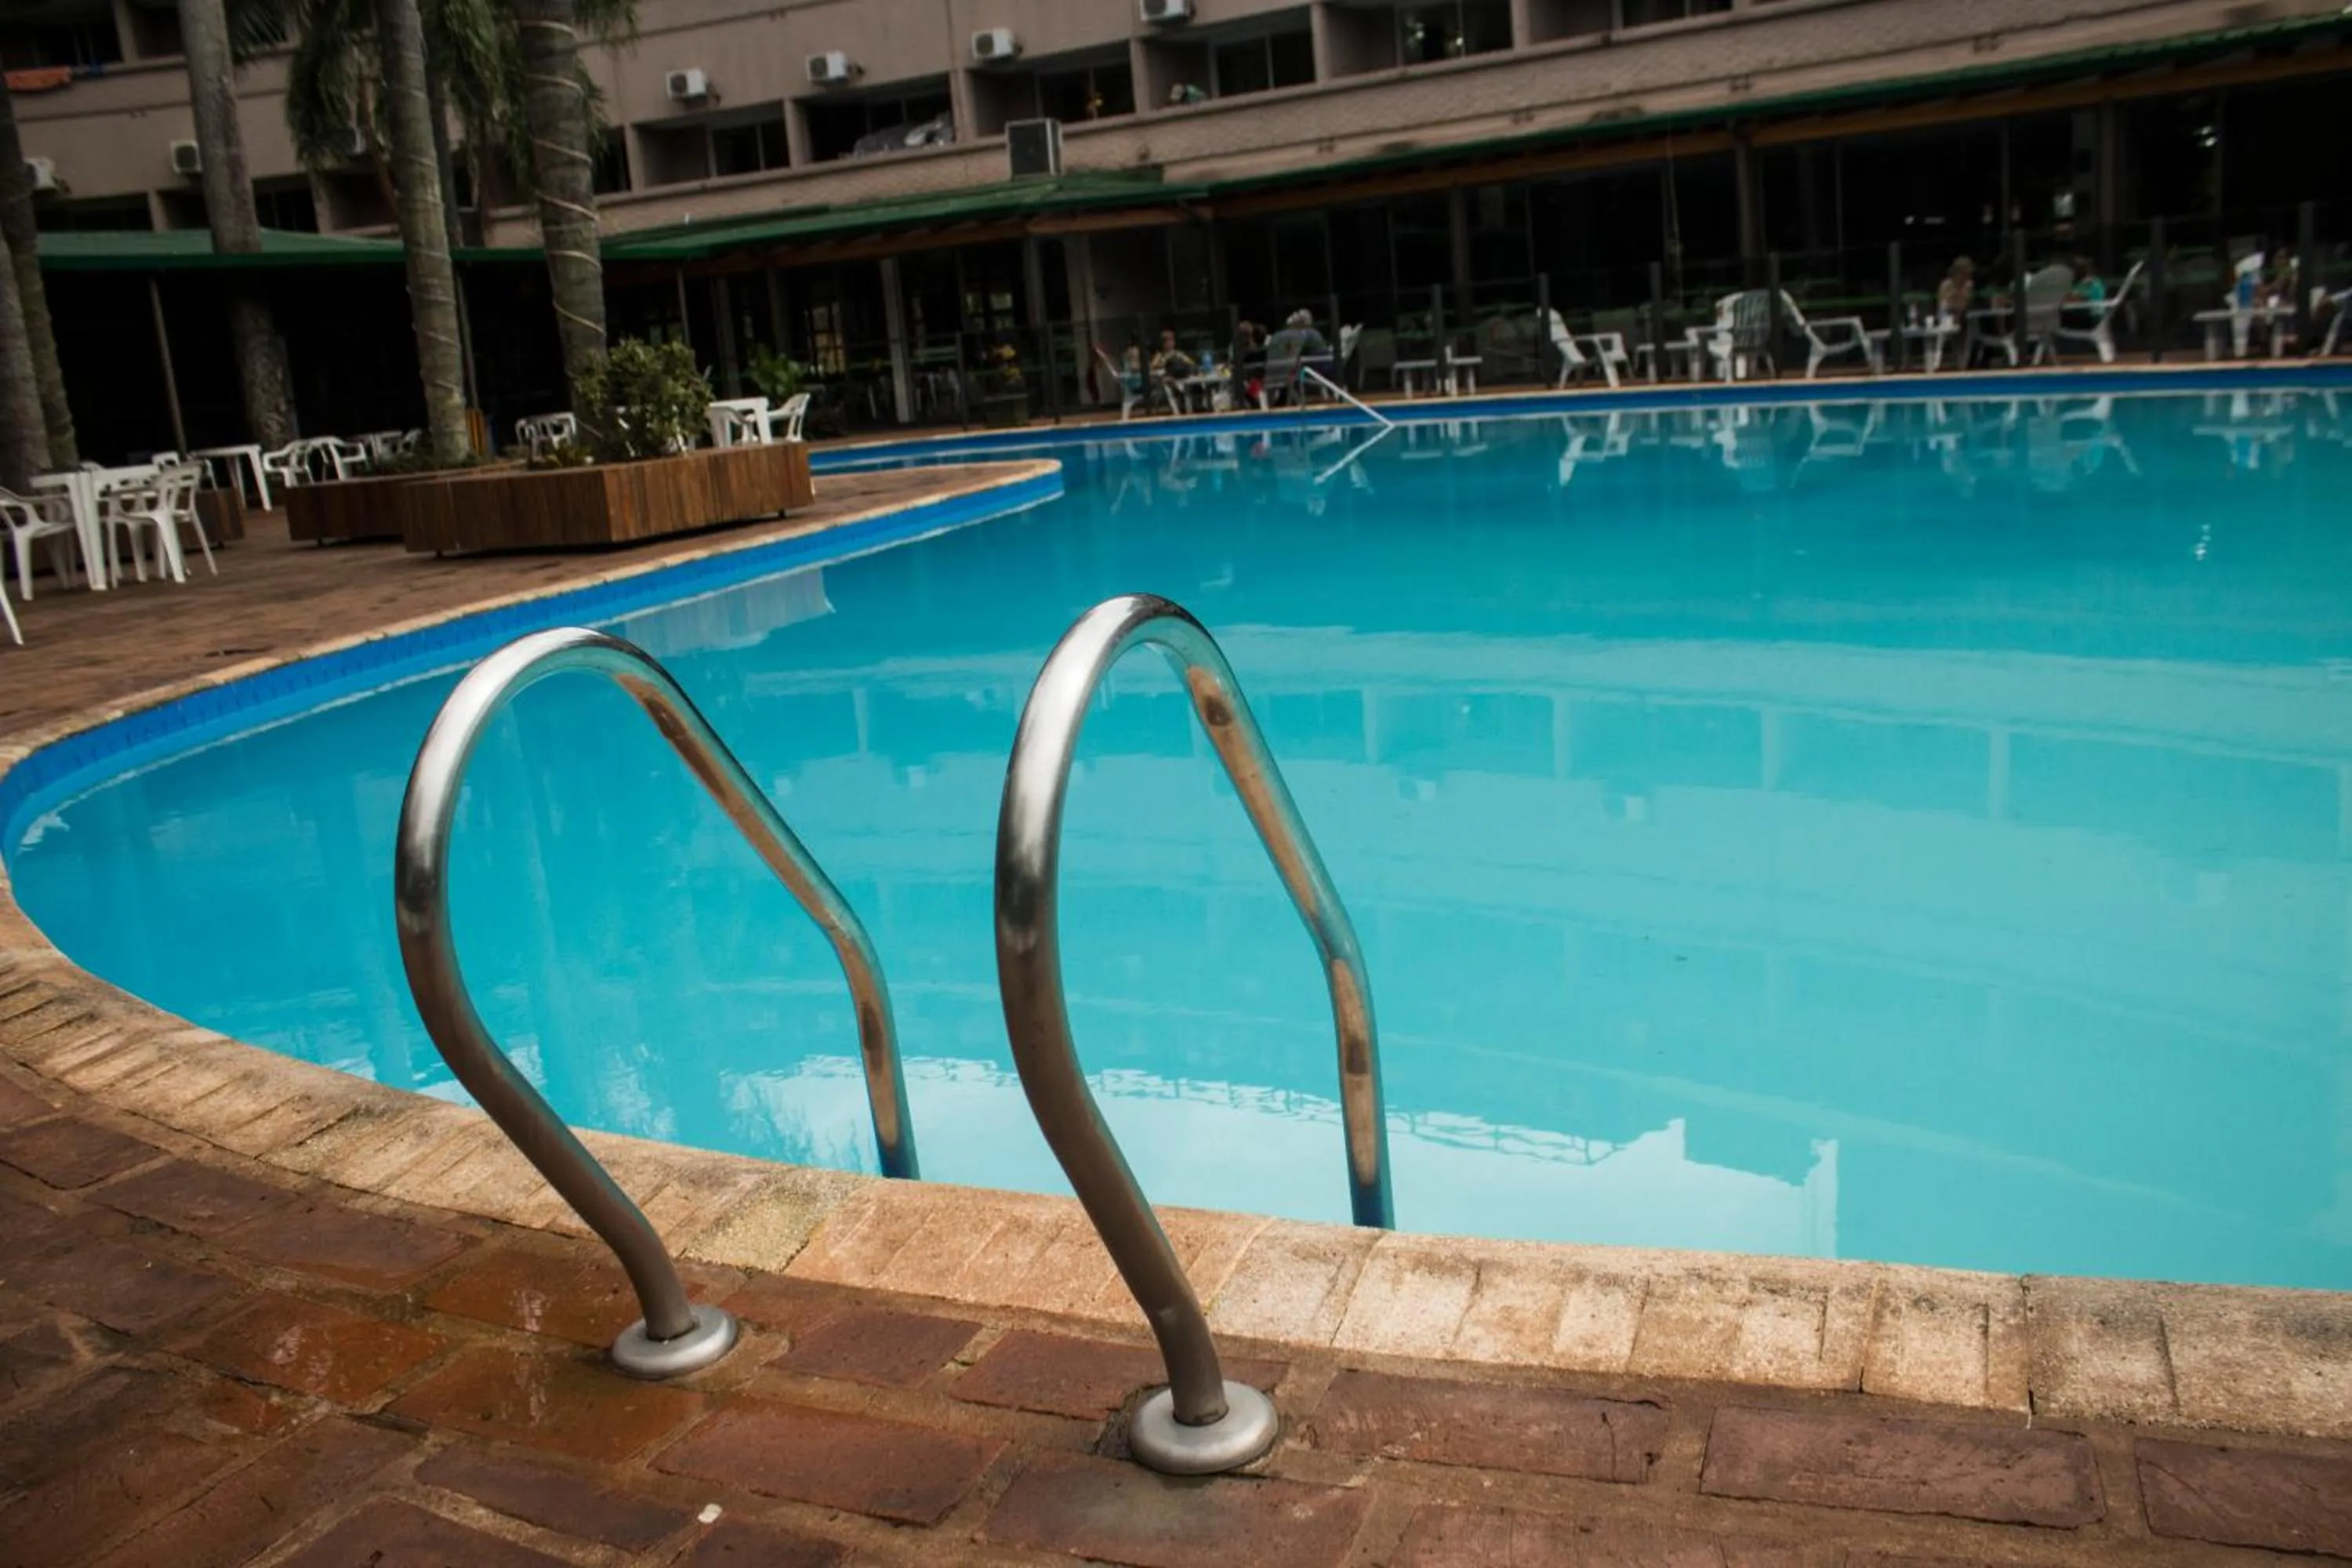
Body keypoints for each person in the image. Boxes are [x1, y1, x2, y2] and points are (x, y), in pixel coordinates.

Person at [1936, 257, 1975, 324]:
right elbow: (1943, 304)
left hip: (1963, 314)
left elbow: (1966, 302)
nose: (1967, 276)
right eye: (1965, 273)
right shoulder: (1946, 285)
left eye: (1968, 274)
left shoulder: (1969, 285)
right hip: (1947, 313)